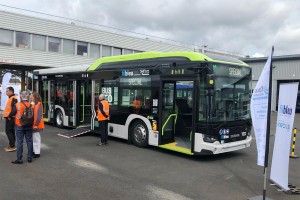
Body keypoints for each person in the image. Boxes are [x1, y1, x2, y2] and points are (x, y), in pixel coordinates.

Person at [11, 91, 34, 164]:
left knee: (20, 142)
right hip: (29, 125)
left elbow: (12, 113)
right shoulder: (31, 105)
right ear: (27, 96)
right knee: (29, 141)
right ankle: (30, 158)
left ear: (21, 96)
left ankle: (19, 159)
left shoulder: (17, 105)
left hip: (19, 125)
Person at [2, 87, 18, 152]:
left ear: (11, 91)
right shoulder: (11, 98)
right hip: (10, 117)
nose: (6, 92)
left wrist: (10, 116)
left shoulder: (13, 98)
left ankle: (12, 146)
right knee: (11, 131)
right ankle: (12, 145)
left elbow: (14, 109)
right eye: (6, 91)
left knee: (8, 131)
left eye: (7, 91)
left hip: (10, 118)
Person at [30, 92, 44, 158]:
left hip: (37, 125)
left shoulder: (39, 104)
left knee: (36, 138)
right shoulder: (34, 104)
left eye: (32, 96)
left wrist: (36, 124)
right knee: (34, 138)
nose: (30, 97)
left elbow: (39, 116)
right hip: (34, 124)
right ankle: (34, 151)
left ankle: (37, 153)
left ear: (35, 97)